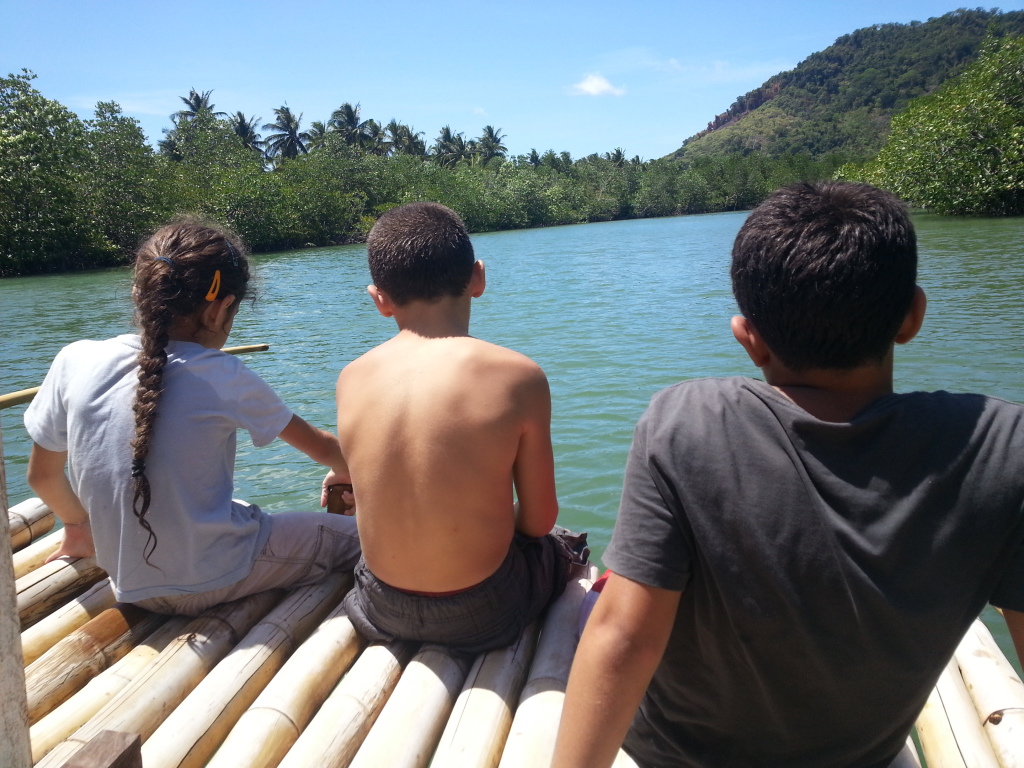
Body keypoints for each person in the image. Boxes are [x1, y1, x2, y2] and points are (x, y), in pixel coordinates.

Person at [553, 181, 1024, 768]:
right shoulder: (1002, 445)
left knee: (596, 602)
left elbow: (625, 637)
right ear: (913, 316)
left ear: (748, 339)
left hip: (677, 758)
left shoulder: (687, 421)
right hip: (864, 757)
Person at [24, 220, 360, 616]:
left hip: (126, 584)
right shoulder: (223, 373)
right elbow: (323, 449)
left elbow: (41, 476)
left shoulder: (73, 358)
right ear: (220, 310)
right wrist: (347, 469)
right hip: (213, 578)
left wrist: (79, 528)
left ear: (138, 294)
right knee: (362, 538)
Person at [333, 201, 587, 654]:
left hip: (381, 605)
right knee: (560, 541)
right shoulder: (518, 375)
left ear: (380, 300)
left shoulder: (351, 376)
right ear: (478, 277)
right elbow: (538, 519)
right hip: (483, 611)